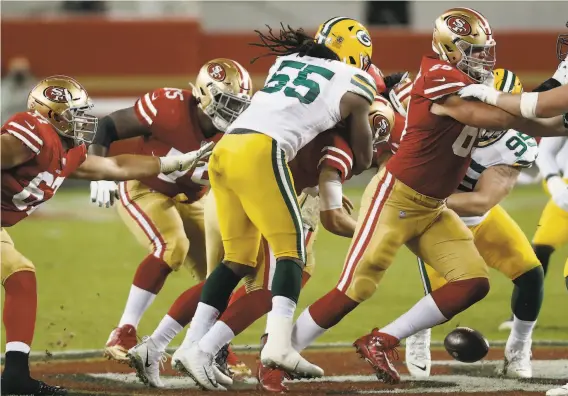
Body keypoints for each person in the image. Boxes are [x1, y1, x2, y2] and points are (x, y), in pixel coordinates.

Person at [287, 7, 568, 385]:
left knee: (472, 282)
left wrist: (555, 118)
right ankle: (280, 354)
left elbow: (519, 121)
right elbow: (500, 117)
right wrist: (537, 107)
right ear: (449, 48)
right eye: (473, 49)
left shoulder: (476, 90)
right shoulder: (440, 73)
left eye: (486, 49)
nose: (483, 57)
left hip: (434, 206)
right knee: (356, 287)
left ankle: (383, 339)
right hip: (397, 196)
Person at [126, 95, 396, 390]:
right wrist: (372, 233)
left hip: (229, 176)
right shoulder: (340, 143)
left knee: (231, 269)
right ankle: (204, 351)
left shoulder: (321, 107)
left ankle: (160, 346)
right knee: (276, 282)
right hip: (265, 188)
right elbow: (333, 218)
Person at [0, 75, 211, 395]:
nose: (83, 120)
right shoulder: (33, 133)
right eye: (74, 113)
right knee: (20, 275)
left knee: (21, 276)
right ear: (52, 116)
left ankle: (15, 374)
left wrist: (169, 163)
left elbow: (115, 167)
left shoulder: (66, 150)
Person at [86, 59, 253, 364]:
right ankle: (124, 330)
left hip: (194, 199)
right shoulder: (168, 106)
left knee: (222, 275)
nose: (234, 112)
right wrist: (101, 171)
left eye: (239, 104)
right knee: (172, 246)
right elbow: (107, 126)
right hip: (144, 186)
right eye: (227, 102)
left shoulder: (242, 130)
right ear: (204, 93)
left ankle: (210, 348)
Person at [404, 69, 542, 379]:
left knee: (531, 275)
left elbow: (482, 201)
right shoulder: (445, 123)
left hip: (475, 215)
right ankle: (417, 335)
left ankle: (519, 348)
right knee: (445, 303)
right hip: (439, 224)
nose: (488, 117)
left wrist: (428, 200)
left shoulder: (515, 143)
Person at [1, 57, 36, 123]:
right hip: (5, 126)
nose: (19, 75)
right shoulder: (2, 88)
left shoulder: (35, 89)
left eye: (22, 71)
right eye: (17, 71)